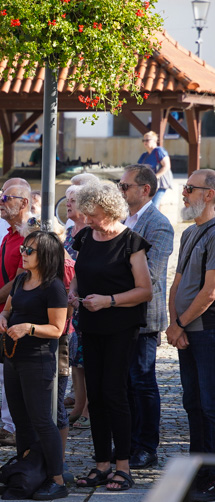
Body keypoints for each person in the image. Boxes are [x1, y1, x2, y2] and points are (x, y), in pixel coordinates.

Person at [72, 180, 152, 492]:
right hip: (90, 326)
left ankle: (123, 465)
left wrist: (109, 300)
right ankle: (101, 463)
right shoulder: (84, 237)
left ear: (108, 210)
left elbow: (144, 291)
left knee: (114, 393)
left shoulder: (131, 242)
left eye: (91, 214)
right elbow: (79, 274)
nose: (86, 219)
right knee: (95, 395)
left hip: (121, 326)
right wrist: (73, 291)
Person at [0, 230, 69, 500]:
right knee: (20, 420)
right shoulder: (21, 280)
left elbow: (58, 329)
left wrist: (30, 327)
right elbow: (8, 309)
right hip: (13, 357)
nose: (23, 253)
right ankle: (27, 473)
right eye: (23, 248)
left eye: (30, 250)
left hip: (38, 360)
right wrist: (2, 318)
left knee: (41, 420)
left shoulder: (54, 287)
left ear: (46, 255)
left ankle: (57, 479)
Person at [119, 164, 174, 470]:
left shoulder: (159, 223)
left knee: (142, 382)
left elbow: (151, 274)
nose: (121, 190)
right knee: (123, 383)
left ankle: (146, 446)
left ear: (145, 190)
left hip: (144, 317)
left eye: (125, 186)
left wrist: (110, 278)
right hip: (118, 315)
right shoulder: (122, 219)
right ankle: (127, 443)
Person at [167, 170, 215, 501]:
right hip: (185, 331)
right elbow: (177, 283)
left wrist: (181, 323)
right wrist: (174, 323)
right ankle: (197, 469)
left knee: (211, 405)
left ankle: (211, 476)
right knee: (192, 403)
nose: (184, 193)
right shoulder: (189, 234)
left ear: (209, 194)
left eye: (190, 188)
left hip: (206, 332)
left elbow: (210, 292)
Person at [0, 182, 32, 447]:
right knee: (2, 372)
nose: (0, 201)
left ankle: (19, 428)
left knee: (16, 374)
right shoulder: (9, 233)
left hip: (16, 314)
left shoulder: (29, 236)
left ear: (24, 203)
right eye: (0, 196)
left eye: (6, 198)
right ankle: (8, 423)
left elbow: (21, 278)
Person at [62, 183, 91, 429]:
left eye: (73, 199)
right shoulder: (69, 231)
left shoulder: (91, 231)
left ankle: (89, 409)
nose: (68, 203)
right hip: (70, 302)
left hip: (86, 301)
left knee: (87, 359)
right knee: (75, 360)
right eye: (67, 198)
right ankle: (79, 405)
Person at [138, 131, 173, 209]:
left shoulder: (159, 151)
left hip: (160, 184)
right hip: (149, 184)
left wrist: (155, 176)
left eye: (147, 140)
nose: (145, 142)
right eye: (144, 140)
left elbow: (167, 166)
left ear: (154, 141)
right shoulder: (144, 155)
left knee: (154, 205)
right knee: (148, 206)